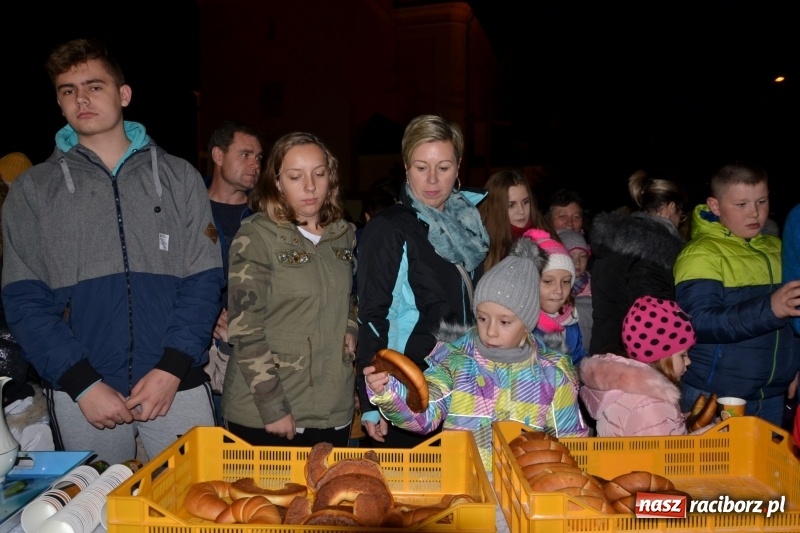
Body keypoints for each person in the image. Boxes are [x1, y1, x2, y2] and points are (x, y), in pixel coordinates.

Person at [1, 38, 223, 464]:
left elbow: (205, 280)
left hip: (176, 383)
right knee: (91, 511)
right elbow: (24, 299)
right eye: (68, 90)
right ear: (59, 103)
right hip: (84, 392)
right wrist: (81, 381)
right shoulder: (33, 190)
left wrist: (172, 367)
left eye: (94, 86)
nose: (81, 98)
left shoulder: (179, 177)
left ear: (123, 94)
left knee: (200, 502)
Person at [363, 235, 587, 472]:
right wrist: (388, 392)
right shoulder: (456, 361)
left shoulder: (553, 374)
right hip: (462, 485)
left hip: (524, 493)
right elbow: (423, 414)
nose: (490, 331)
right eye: (482, 318)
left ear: (527, 321)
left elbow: (568, 445)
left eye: (504, 322)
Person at [356, 114, 489, 448]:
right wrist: (372, 403)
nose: (432, 179)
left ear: (458, 168)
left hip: (465, 389)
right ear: (405, 167)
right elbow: (372, 316)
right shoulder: (390, 228)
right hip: (408, 389)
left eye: (443, 167)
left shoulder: (470, 225)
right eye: (421, 167)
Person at [222, 131, 357, 447]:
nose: (310, 186)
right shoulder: (256, 236)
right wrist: (272, 408)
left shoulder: (344, 234)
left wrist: (351, 328)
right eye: (296, 177)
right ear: (278, 182)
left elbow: (348, 299)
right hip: (264, 414)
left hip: (332, 407)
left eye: (319, 174)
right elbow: (244, 330)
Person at [675, 162, 800, 426]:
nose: (754, 213)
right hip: (717, 396)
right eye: (741, 205)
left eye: (762, 201)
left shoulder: (779, 248)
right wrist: (770, 308)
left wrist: (796, 365)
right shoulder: (700, 253)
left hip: (772, 395)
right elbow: (698, 322)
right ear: (715, 206)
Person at [203, 120, 263, 424]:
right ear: (218, 155)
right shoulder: (187, 209)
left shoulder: (265, 217)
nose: (254, 164)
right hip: (197, 347)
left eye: (258, 157)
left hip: (250, 351)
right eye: (245, 154)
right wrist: (208, 312)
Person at [589, 169, 686, 355]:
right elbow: (654, 323)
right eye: (680, 215)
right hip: (634, 359)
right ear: (671, 207)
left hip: (605, 348)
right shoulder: (656, 251)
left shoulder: (613, 242)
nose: (679, 222)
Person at [579, 296, 699, 437]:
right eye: (683, 355)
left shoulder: (630, 390)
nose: (688, 361)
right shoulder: (651, 406)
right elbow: (665, 457)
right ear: (661, 357)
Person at [524, 229, 586, 368]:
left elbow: (578, 359)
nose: (558, 290)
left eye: (565, 281)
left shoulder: (570, 321)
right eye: (548, 281)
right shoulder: (523, 327)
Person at [478, 169, 552, 271]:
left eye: (525, 202)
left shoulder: (546, 237)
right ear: (496, 208)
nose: (521, 211)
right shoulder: (481, 246)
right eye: (511, 205)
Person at [557, 229, 592, 353]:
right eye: (572, 256)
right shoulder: (554, 290)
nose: (577, 262)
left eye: (582, 256)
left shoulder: (596, 288)